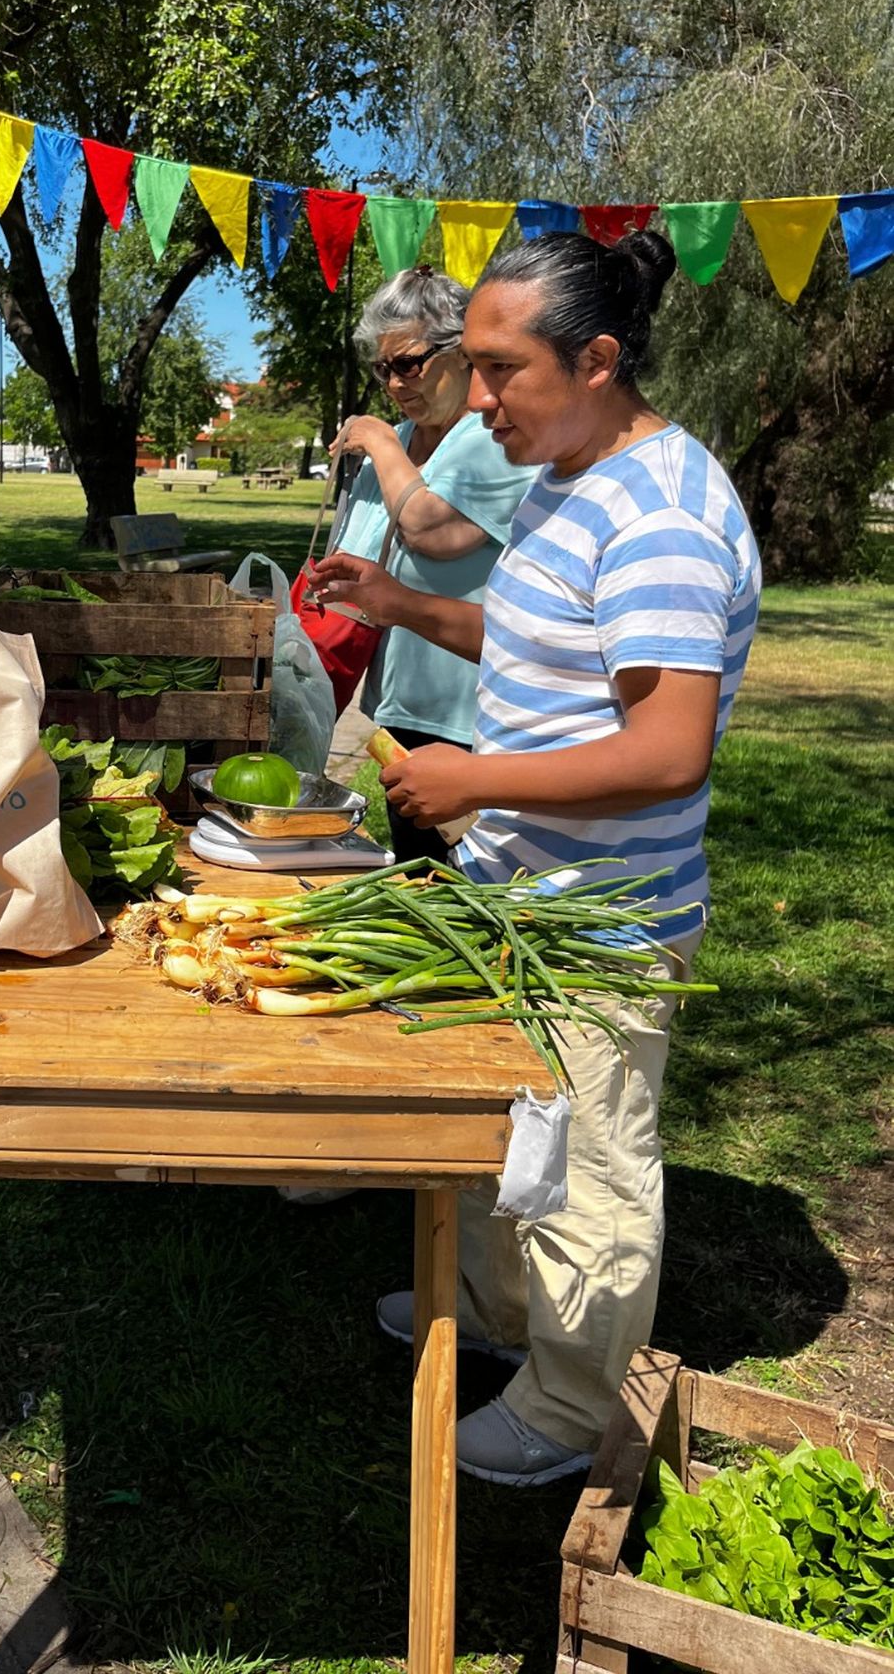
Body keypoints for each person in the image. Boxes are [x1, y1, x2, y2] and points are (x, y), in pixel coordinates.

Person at [310, 230, 761, 1485]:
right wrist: (400, 606)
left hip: (606, 912)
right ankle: (504, 1319)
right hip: (525, 887)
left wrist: (473, 779)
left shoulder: (664, 511)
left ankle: (572, 1405)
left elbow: (670, 746)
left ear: (600, 359)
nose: (480, 397)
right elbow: (530, 637)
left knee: (600, 1159)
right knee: (518, 1118)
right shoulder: (571, 470)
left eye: (503, 370)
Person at [329, 266, 538, 859]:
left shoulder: (490, 436)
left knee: (474, 892)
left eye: (410, 362)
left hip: (470, 710)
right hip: (399, 701)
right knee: (423, 886)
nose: (394, 383)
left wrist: (381, 443)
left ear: (462, 350)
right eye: (384, 367)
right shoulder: (394, 439)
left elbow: (432, 528)